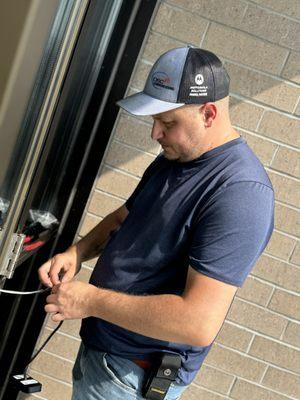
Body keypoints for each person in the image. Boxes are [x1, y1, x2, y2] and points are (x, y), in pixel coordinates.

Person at [38, 46, 275, 400]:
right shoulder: (175, 158)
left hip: (131, 376)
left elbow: (196, 323)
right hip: (106, 358)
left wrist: (90, 301)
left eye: (167, 122)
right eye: (154, 121)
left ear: (208, 113)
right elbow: (126, 217)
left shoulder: (239, 194)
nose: (155, 135)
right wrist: (78, 252)